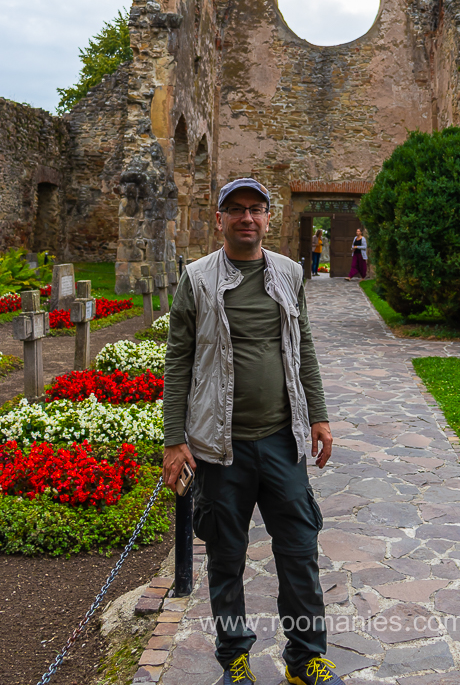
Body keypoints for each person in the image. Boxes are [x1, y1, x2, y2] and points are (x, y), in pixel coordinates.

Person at [162, 177, 340, 685]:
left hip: (282, 441)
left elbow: (302, 346)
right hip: (220, 449)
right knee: (226, 558)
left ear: (268, 218)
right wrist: (175, 439)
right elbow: (178, 361)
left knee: (300, 553)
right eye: (235, 210)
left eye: (255, 209)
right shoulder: (197, 279)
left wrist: (320, 415)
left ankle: (305, 660)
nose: (246, 218)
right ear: (220, 219)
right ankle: (234, 660)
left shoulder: (287, 273)